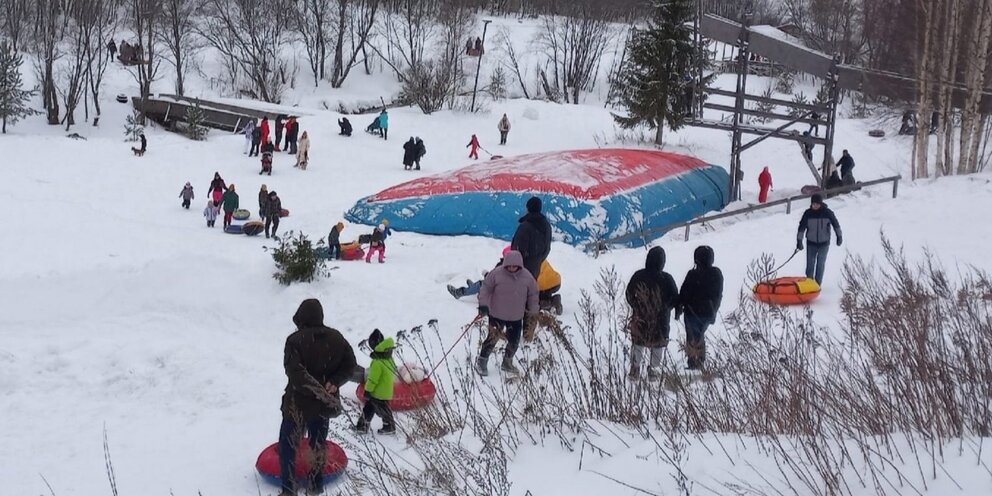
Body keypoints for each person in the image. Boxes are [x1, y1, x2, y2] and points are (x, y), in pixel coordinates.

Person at [277, 299, 357, 496]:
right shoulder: (337, 338)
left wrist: (317, 388)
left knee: (287, 444)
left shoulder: (294, 341)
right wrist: (333, 382)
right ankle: (315, 485)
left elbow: (295, 373)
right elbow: (350, 365)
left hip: (297, 404)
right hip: (323, 405)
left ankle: (288, 489)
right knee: (318, 443)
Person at [475, 250, 538, 376]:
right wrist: (483, 305)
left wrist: (533, 310)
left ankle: (507, 362)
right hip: (497, 313)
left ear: (519, 265)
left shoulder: (527, 277)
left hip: (516, 316)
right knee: (492, 338)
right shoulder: (496, 274)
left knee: (514, 340)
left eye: (514, 266)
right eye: (509, 266)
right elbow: (486, 288)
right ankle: (482, 361)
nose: (512, 268)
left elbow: (533, 295)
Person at [625, 246, 679, 380]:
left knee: (637, 343)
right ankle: (653, 370)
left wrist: (637, 306)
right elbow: (675, 298)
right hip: (661, 321)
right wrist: (666, 308)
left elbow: (629, 293)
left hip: (640, 318)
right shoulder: (667, 278)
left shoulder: (638, 275)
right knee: (658, 345)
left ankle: (635, 369)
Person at [678, 246, 723, 370]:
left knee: (692, 336)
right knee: (699, 334)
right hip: (708, 312)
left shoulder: (692, 274)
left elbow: (684, 292)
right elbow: (718, 294)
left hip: (691, 312)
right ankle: (699, 361)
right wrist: (714, 310)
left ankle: (694, 361)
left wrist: (679, 306)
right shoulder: (716, 274)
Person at [354, 329, 397, 435]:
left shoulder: (377, 362)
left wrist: (368, 390)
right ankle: (362, 425)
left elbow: (373, 379)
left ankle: (389, 426)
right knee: (370, 408)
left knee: (381, 410)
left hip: (377, 392)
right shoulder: (389, 357)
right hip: (386, 390)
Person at [796, 194, 842, 286]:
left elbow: (836, 224)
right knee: (810, 264)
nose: (815, 206)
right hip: (811, 243)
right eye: (813, 204)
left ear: (820, 203)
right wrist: (799, 241)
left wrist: (839, 236)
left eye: (817, 204)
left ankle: (817, 284)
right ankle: (809, 283)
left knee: (820, 264)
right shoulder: (808, 213)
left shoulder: (828, 213)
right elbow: (801, 228)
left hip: (824, 243)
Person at [511, 196, 552, 279]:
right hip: (535, 269)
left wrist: (514, 266)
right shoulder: (547, 226)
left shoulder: (525, 226)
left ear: (528, 208)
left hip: (519, 272)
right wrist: (537, 261)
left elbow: (517, 251)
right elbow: (547, 249)